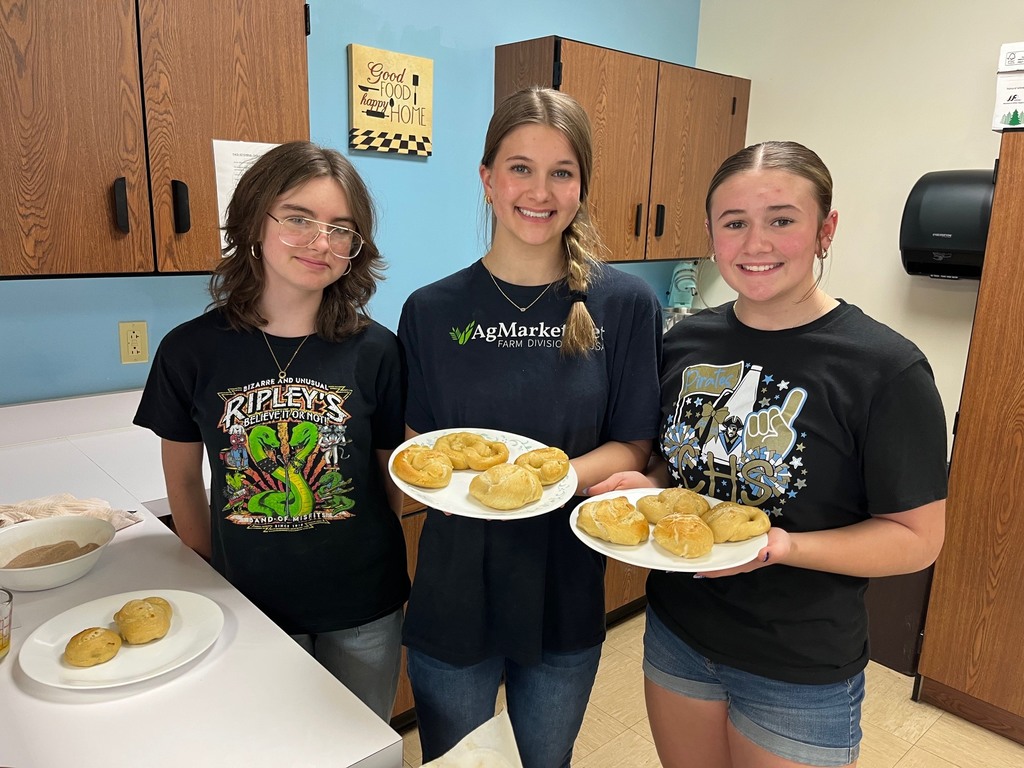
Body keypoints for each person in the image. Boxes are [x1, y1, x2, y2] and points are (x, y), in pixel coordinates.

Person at [588, 140, 948, 768]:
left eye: (782, 220)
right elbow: (681, 464)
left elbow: (918, 538)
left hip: (799, 665)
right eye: (735, 223)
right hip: (678, 634)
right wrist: (647, 484)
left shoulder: (885, 369)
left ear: (824, 229)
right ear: (711, 234)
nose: (756, 244)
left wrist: (786, 547)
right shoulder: (688, 339)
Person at [397, 86, 664, 767]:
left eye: (560, 172)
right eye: (519, 167)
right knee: (457, 762)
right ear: (487, 180)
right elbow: (422, 450)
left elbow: (634, 442)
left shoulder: (625, 305)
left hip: (566, 587)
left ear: (581, 187)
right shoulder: (430, 311)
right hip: (454, 589)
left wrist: (549, 481)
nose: (538, 190)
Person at [134, 141, 409, 722]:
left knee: (362, 744)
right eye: (299, 219)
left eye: (341, 229)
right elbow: (183, 481)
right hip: (248, 602)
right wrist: (216, 576)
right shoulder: (190, 351)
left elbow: (388, 477)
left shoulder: (378, 350)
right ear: (255, 220)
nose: (320, 243)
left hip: (364, 604)